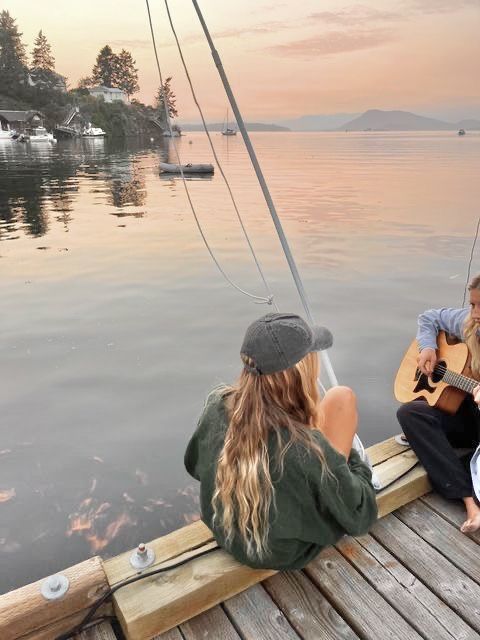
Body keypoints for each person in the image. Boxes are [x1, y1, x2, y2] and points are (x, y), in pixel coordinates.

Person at [184, 312, 378, 570]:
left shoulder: (216, 404)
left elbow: (193, 465)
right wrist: (354, 462)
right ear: (300, 372)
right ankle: (338, 481)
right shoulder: (307, 448)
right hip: (283, 552)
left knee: (338, 398)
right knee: (343, 399)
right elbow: (361, 518)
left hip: (226, 532)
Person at [397, 274, 480, 533]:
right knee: (410, 413)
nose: (474, 313)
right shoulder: (469, 323)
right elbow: (429, 317)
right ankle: (469, 500)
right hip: (467, 414)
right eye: (472, 305)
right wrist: (427, 347)